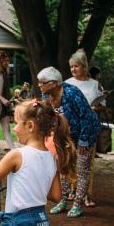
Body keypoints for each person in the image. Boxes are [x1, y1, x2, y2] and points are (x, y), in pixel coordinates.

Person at [38, 66, 100, 218]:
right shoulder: (47, 96)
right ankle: (63, 200)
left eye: (42, 82)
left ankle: (78, 203)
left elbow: (86, 116)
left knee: (82, 167)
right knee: (63, 166)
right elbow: (54, 115)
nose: (40, 85)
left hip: (86, 132)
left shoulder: (71, 93)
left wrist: (84, 142)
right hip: (66, 133)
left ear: (54, 83)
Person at [65, 49, 105, 207]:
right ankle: (72, 191)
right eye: (71, 67)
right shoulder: (67, 83)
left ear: (84, 66)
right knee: (71, 160)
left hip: (89, 128)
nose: (73, 69)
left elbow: (102, 106)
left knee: (87, 163)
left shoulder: (95, 84)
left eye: (76, 66)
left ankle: (86, 194)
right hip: (72, 127)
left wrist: (97, 108)